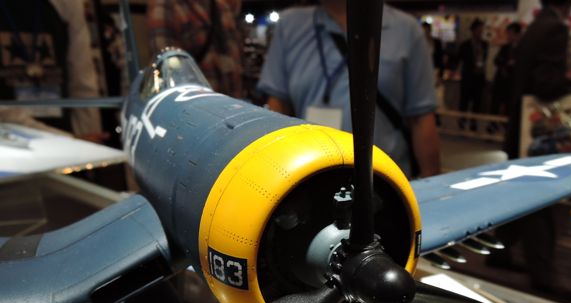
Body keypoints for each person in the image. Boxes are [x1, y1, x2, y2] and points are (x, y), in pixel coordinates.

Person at [257, 0, 440, 178]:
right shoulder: (290, 26)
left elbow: (421, 117)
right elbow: (277, 106)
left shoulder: (406, 30)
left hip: (383, 179)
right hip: (308, 177)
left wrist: (431, 183)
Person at [492, 0, 571, 302]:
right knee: (539, 200)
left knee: (519, 195)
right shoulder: (555, 28)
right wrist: (570, 78)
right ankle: (543, 275)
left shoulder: (536, 26)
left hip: (522, 128)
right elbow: (545, 85)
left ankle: (500, 252)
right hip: (536, 134)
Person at [0, 0, 103, 139]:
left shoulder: (67, 5)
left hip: (66, 137)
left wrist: (88, 140)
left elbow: (83, 83)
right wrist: (69, 140)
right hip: (11, 142)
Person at [148, 0, 243, 98]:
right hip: (198, 102)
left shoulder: (222, 7)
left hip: (233, 100)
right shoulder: (165, 6)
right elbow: (167, 71)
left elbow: (235, 59)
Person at [457, 19, 488, 130]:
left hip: (479, 77)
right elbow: (459, 59)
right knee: (464, 101)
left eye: (482, 30)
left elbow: (485, 59)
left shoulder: (485, 44)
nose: (480, 32)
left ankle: (473, 123)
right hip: (468, 76)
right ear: (473, 30)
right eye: (479, 30)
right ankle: (462, 121)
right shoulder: (465, 45)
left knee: (477, 102)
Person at [490, 22, 521, 117]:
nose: (508, 36)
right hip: (501, 80)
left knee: (510, 107)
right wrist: (507, 62)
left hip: (513, 82)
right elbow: (496, 60)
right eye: (508, 33)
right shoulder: (505, 47)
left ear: (517, 34)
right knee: (495, 104)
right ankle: (493, 123)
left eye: (510, 34)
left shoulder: (522, 48)